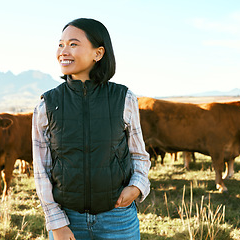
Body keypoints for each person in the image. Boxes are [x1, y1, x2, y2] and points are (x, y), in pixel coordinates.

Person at [32, 18, 151, 240]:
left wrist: (137, 187)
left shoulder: (124, 98)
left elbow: (139, 155)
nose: (63, 51)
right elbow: (42, 170)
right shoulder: (47, 104)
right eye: (60, 44)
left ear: (98, 53)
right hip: (68, 220)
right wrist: (56, 223)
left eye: (73, 44)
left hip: (118, 218)